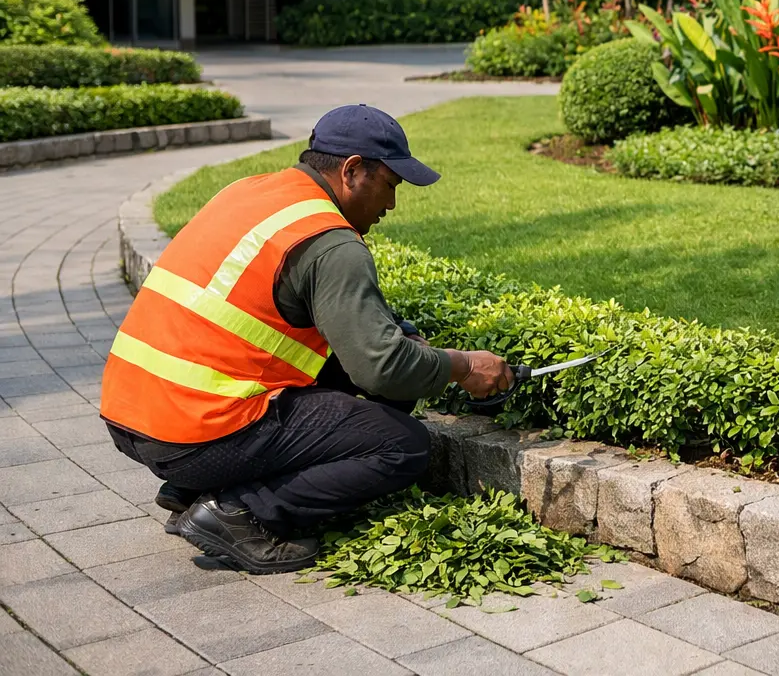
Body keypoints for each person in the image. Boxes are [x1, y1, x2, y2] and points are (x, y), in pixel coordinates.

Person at [99, 105, 515, 573]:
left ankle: (189, 491)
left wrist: (402, 338)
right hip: (193, 433)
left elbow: (335, 325)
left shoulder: (252, 191)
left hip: (132, 415)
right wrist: (462, 366)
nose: (391, 205)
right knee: (403, 445)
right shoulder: (330, 242)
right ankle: (236, 512)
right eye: (391, 185)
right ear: (352, 170)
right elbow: (382, 368)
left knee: (381, 372)